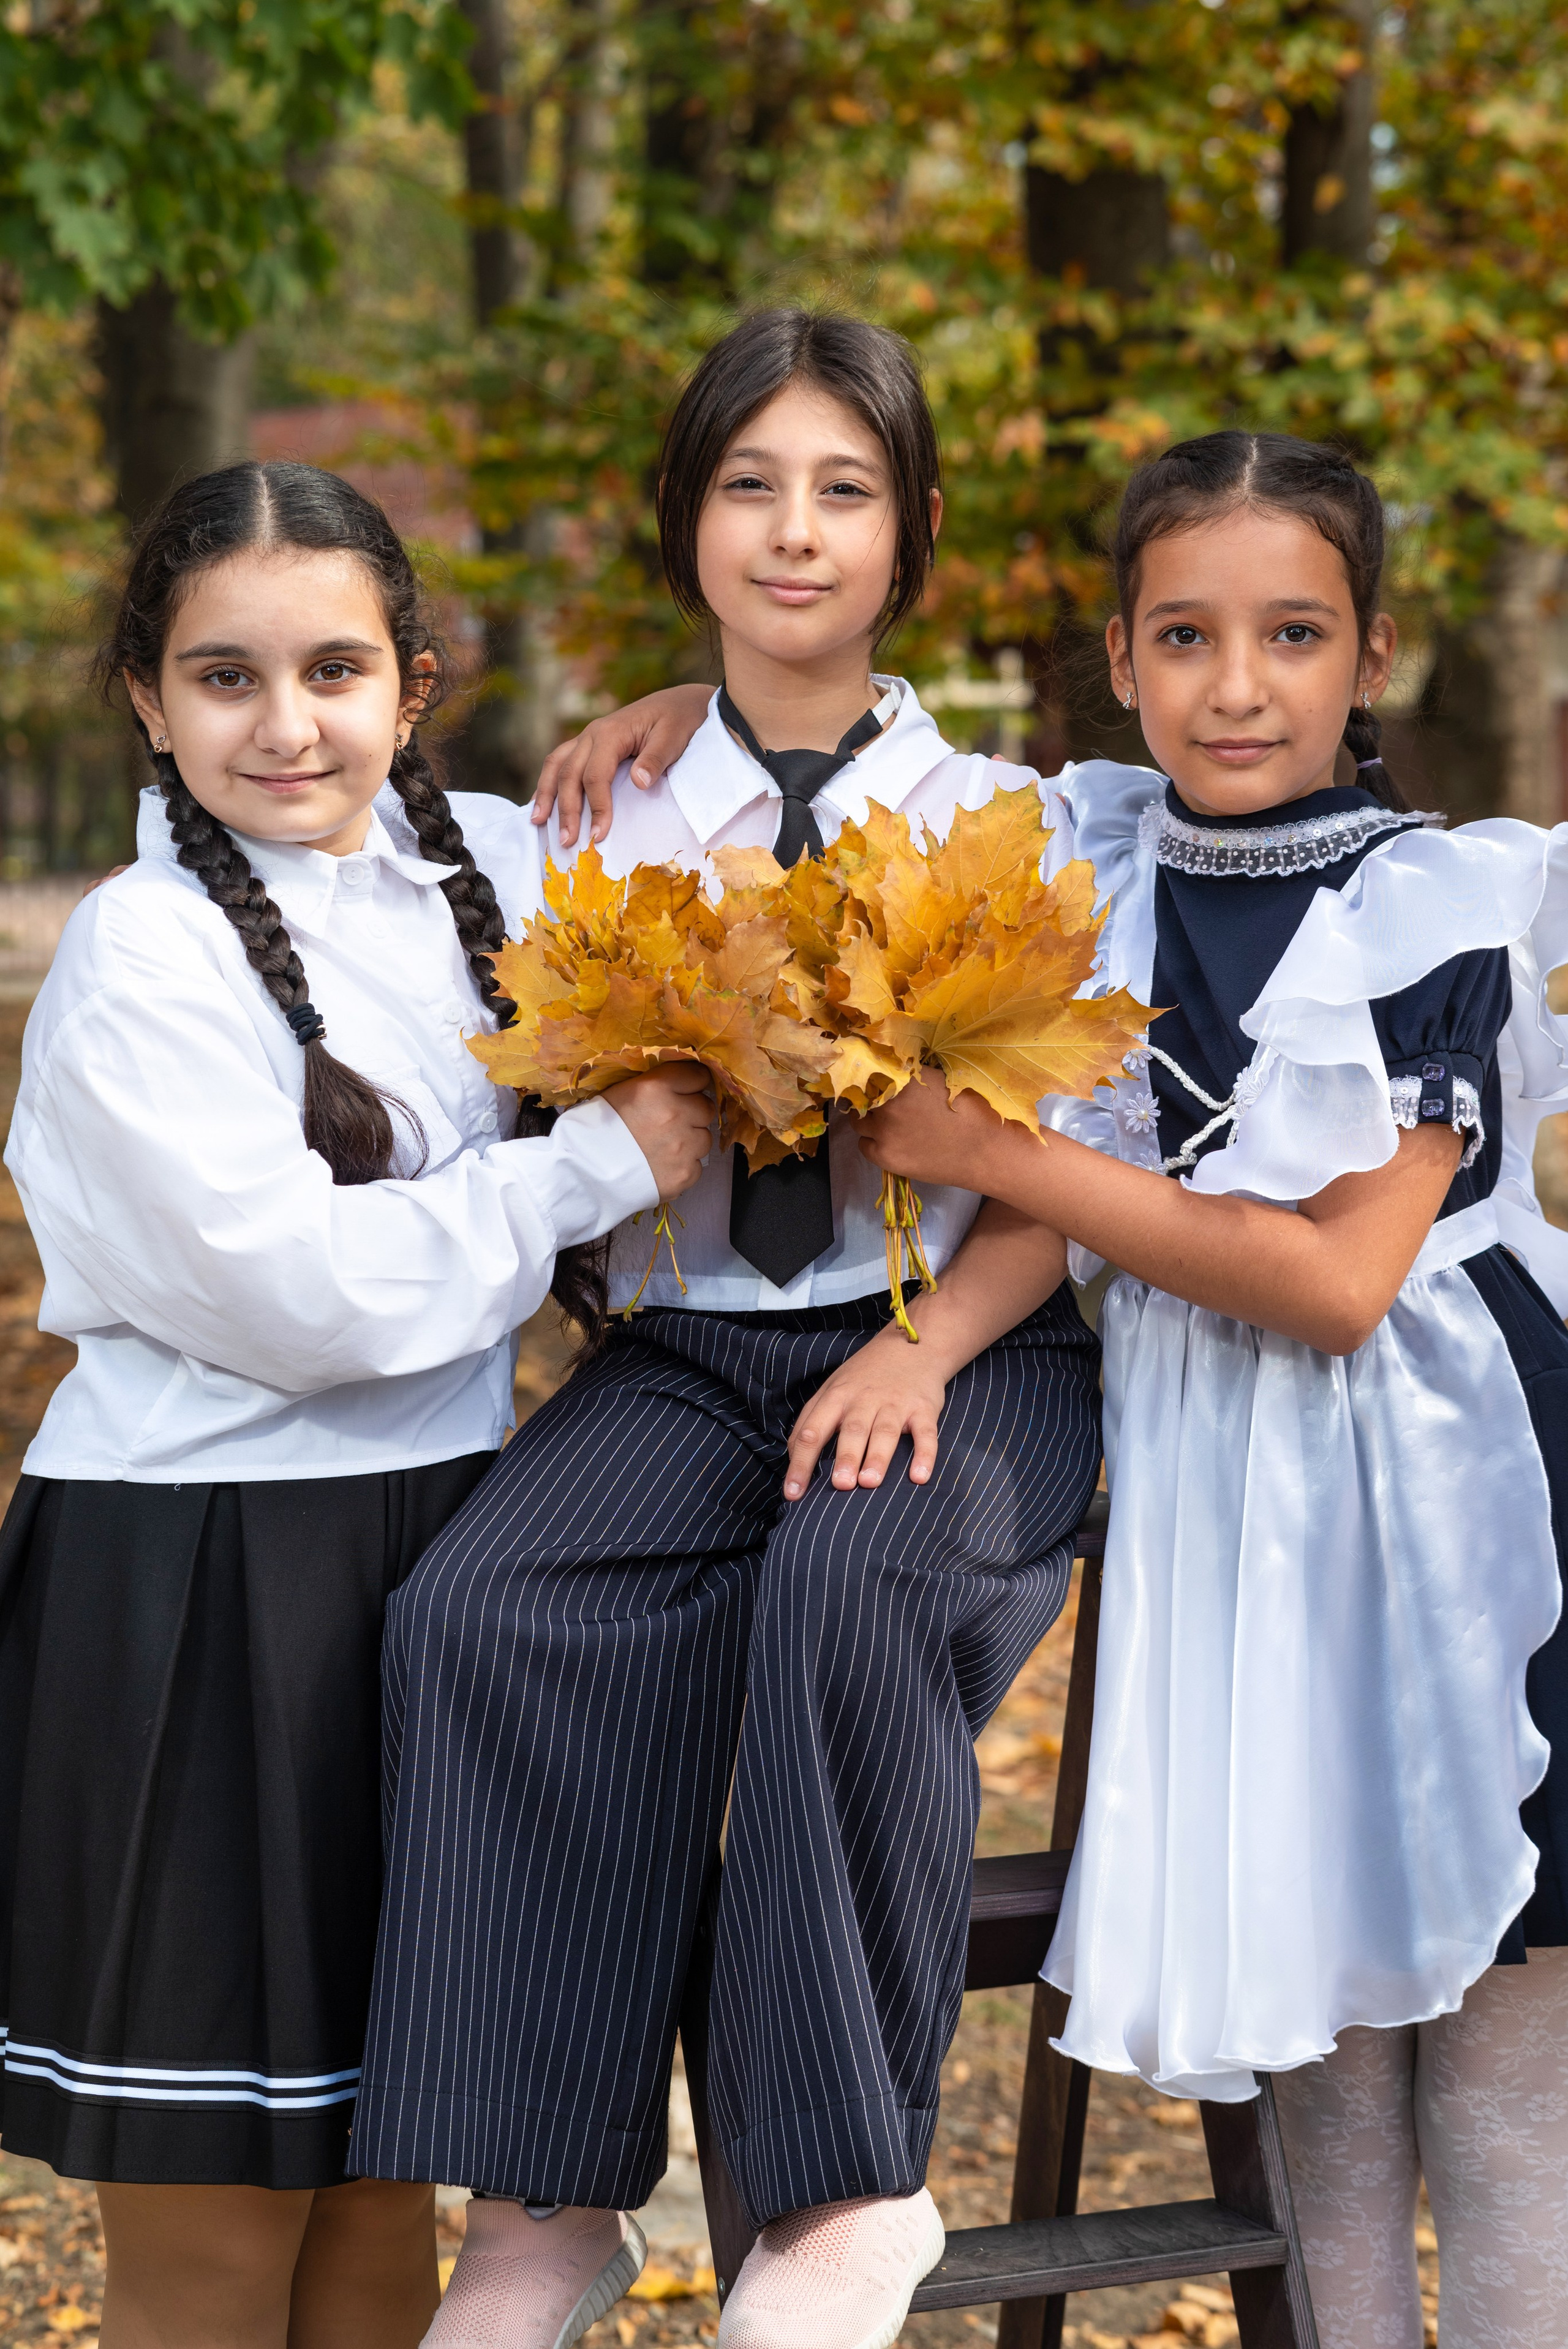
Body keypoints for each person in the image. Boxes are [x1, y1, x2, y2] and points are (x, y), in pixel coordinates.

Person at [349, 309, 1104, 2349]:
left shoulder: (1021, 815)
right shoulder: (589, 816)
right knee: (481, 1610)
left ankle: (849, 2195)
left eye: (844, 490)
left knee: (845, 1594)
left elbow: (1069, 1176)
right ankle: (547, 2200)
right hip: (694, 1350)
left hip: (969, 1335)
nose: (794, 532)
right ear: (685, 520)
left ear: (913, 528)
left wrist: (927, 1348)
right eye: (749, 486)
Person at [856, 430, 1568, 2349]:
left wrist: (1001, 1155)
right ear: (1118, 651)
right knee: (1313, 2092)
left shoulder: (1443, 905)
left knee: (1503, 2104)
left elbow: (1339, 1282)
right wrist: (678, 695)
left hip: (1463, 1518)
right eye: (1185, 633)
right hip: (1228, 1527)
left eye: (1292, 633)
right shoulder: (1088, 866)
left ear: (1374, 654)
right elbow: (850, 745)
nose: (1235, 684)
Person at [0, 460, 710, 2349]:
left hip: (440, 1561)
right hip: (205, 1583)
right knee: (222, 2220)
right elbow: (300, 1298)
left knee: (391, 2180)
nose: (288, 722)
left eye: (335, 668)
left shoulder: (476, 864)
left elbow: (763, 863)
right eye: (223, 676)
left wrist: (688, 713)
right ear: (147, 700)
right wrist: (591, 1172)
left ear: (412, 677)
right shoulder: (138, 957)